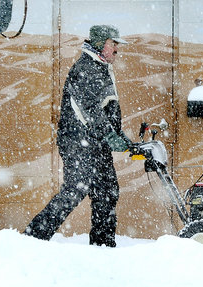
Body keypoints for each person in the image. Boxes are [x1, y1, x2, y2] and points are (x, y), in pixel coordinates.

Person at [24, 24, 133, 246]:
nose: (117, 49)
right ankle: (33, 238)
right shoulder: (86, 68)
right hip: (78, 141)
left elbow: (106, 110)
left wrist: (119, 135)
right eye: (113, 44)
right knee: (76, 188)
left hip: (96, 142)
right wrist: (110, 136)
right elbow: (90, 109)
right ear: (101, 43)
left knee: (107, 191)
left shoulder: (101, 67)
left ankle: (102, 246)